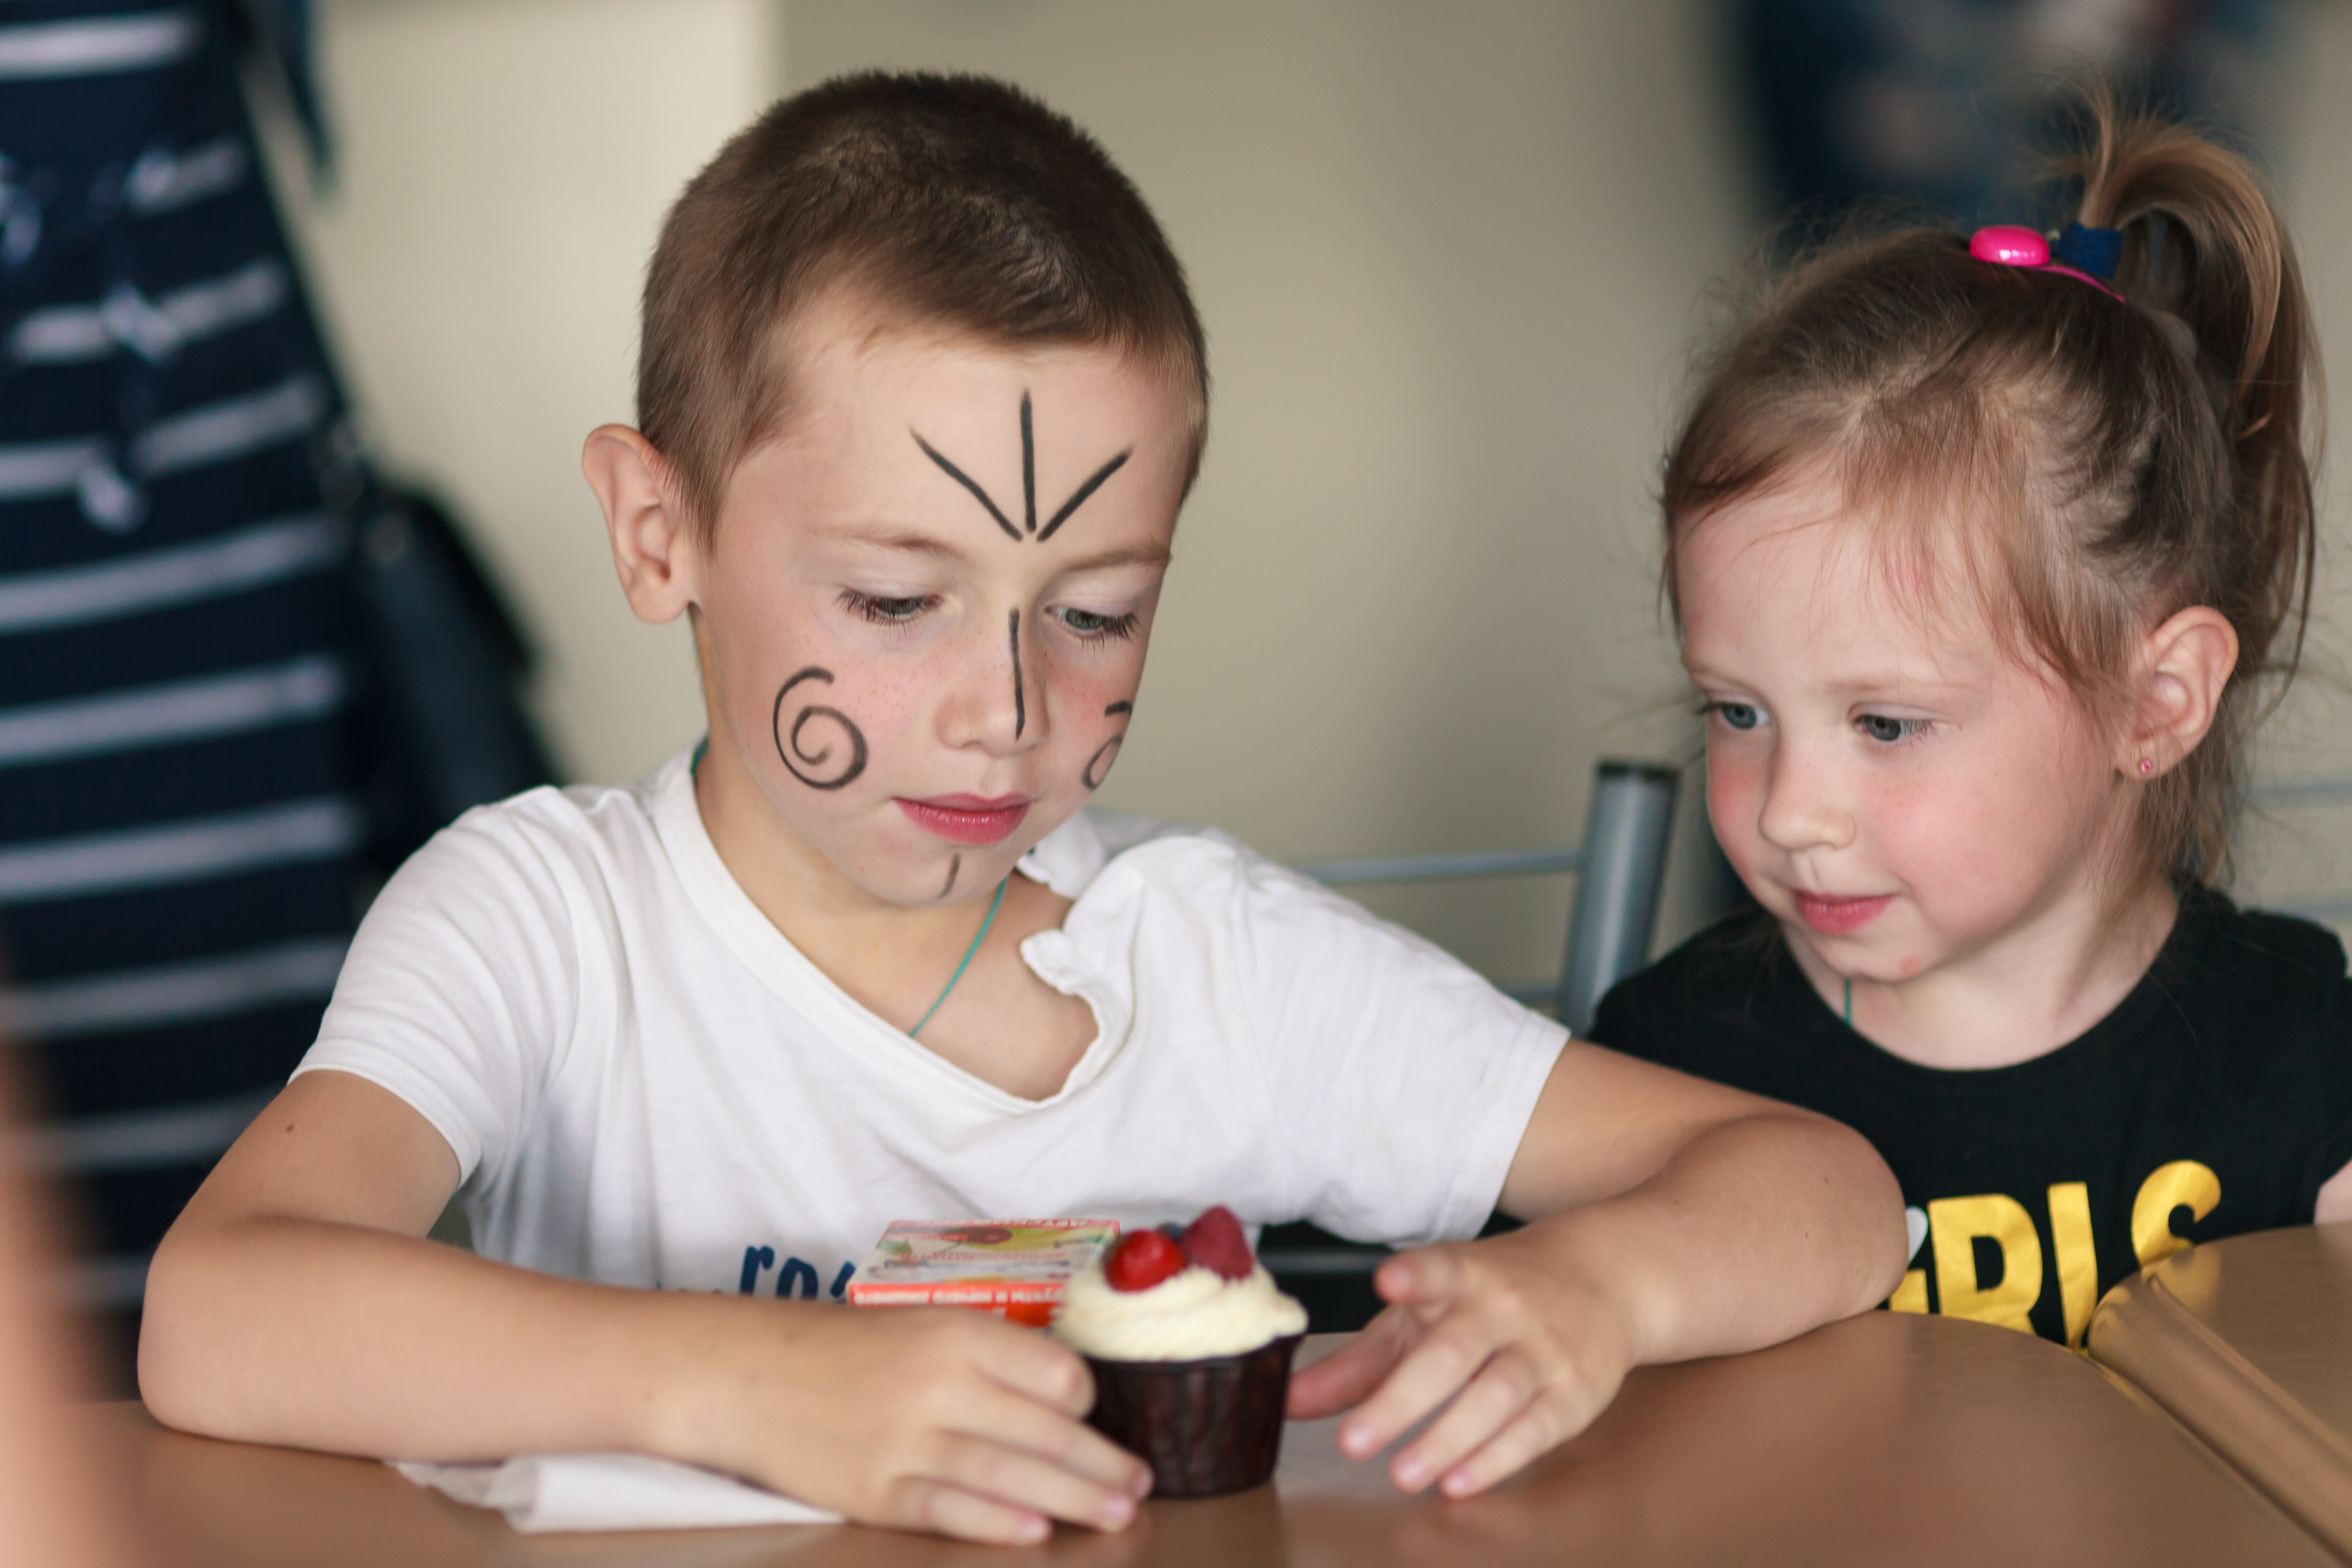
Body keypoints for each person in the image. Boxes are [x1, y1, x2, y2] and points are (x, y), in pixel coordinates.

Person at [138, 73, 1904, 1544]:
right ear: (655, 531)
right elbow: (220, 1311)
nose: (1005, 709)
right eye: (897, 603)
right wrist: (750, 1379)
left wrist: (1602, 1294)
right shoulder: (541, 922)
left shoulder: (1219, 973)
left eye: (1095, 611)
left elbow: (1817, 1189)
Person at [1588, 87, 2346, 1348]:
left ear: (2156, 704)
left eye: (1885, 724)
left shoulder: (2303, 1056)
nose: (1788, 813)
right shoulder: (1664, 1074)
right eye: (1736, 710)